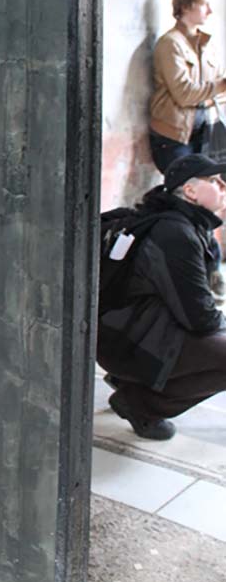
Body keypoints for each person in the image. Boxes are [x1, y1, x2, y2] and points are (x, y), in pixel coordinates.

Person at [98, 153, 226, 440]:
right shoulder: (176, 233)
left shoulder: (180, 223)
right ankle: (140, 404)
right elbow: (200, 319)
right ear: (190, 191)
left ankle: (129, 383)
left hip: (119, 331)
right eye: (215, 181)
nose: (223, 186)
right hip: (124, 343)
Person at [149, 0, 226, 174]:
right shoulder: (170, 43)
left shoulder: (208, 44)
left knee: (205, 192)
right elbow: (183, 93)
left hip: (204, 131)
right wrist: (221, 85)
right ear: (185, 6)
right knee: (182, 192)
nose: (209, 11)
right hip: (174, 136)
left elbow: (218, 84)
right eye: (204, 4)